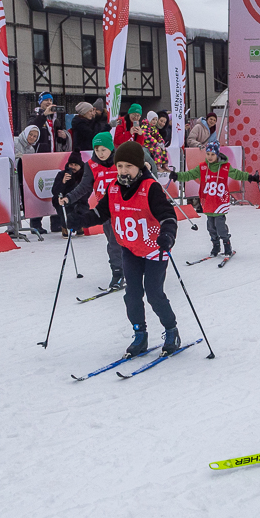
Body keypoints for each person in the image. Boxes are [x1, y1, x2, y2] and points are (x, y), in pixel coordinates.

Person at [70, 141, 180, 357]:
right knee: (132, 295)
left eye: (128, 166)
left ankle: (171, 330)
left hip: (154, 249)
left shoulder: (151, 188)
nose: (123, 171)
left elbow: (168, 215)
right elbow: (101, 214)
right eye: (119, 166)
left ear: (139, 166)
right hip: (130, 249)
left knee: (154, 294)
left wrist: (167, 234)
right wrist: (80, 220)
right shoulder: (113, 189)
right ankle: (140, 335)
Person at [169, 142, 260, 258]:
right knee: (211, 227)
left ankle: (227, 245)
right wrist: (177, 176)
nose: (210, 157)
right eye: (208, 154)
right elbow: (190, 175)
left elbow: (237, 174)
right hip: (208, 202)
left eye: (212, 154)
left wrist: (250, 177)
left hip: (220, 202)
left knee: (220, 226)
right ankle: (215, 245)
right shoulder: (202, 167)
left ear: (217, 154)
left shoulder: (225, 167)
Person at [60, 132, 124, 289]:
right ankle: (118, 273)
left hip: (126, 208)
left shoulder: (121, 161)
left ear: (110, 148)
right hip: (106, 211)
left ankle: (137, 269)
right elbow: (84, 187)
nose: (100, 154)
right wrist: (69, 197)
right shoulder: (91, 166)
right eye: (97, 150)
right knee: (114, 243)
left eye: (103, 149)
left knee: (131, 241)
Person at [52, 151, 87, 237]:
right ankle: (64, 226)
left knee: (81, 207)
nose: (73, 167)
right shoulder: (61, 174)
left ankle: (79, 225)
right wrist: (63, 182)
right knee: (63, 206)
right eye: (71, 164)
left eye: (76, 165)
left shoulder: (84, 175)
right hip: (63, 200)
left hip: (79, 199)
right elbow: (55, 191)